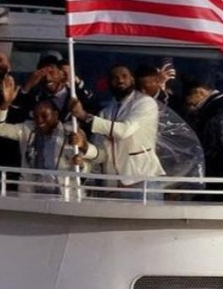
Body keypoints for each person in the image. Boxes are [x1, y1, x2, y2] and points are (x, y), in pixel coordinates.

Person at [69, 64, 164, 196]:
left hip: (141, 181)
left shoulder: (145, 103)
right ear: (109, 83)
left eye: (124, 76)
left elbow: (124, 131)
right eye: (115, 78)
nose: (120, 80)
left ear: (132, 79)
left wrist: (85, 116)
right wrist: (84, 147)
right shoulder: (105, 112)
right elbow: (102, 154)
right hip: (112, 185)